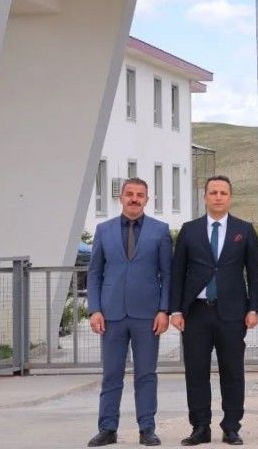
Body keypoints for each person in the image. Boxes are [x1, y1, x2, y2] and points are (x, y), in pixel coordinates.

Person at [169, 175, 258, 446]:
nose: (218, 197)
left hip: (232, 313)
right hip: (196, 313)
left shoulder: (244, 230)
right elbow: (177, 272)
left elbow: (254, 274)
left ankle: (231, 427)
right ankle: (200, 427)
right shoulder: (190, 230)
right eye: (213, 192)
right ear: (205, 197)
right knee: (196, 371)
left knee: (232, 371)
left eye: (223, 192)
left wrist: (254, 308)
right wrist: (175, 310)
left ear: (230, 197)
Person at [86, 177, 173, 447]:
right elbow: (94, 273)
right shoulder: (104, 230)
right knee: (111, 374)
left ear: (147, 199)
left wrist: (164, 310)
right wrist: (94, 309)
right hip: (111, 315)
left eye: (140, 195)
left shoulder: (160, 231)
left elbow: (167, 274)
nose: (134, 199)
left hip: (147, 315)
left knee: (146, 374)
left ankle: (147, 428)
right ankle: (107, 428)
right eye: (130, 194)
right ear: (121, 197)